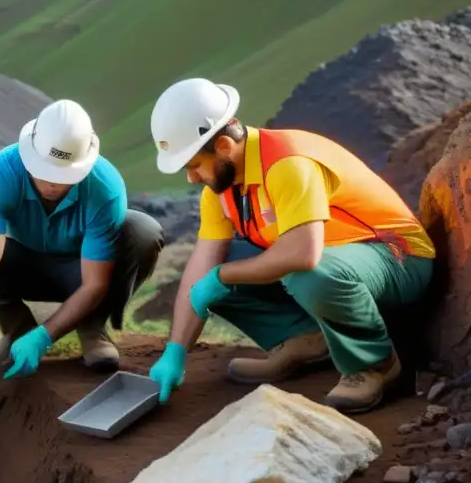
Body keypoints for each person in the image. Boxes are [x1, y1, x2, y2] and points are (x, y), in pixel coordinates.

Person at [145, 77, 436, 414]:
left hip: (399, 257)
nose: (191, 178)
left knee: (299, 271)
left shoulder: (288, 163)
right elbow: (202, 266)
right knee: (216, 271)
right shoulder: (221, 190)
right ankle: (306, 338)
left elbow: (302, 253)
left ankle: (374, 364)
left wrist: (222, 276)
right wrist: (176, 351)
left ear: (224, 147)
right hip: (340, 265)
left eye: (194, 165)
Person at [0, 99, 165, 390]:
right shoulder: (0, 172)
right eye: (45, 171)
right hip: (21, 265)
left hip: (82, 270)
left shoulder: (105, 186)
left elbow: (94, 284)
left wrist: (46, 336)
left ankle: (92, 328)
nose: (53, 184)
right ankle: (17, 329)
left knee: (142, 230)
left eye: (64, 174)